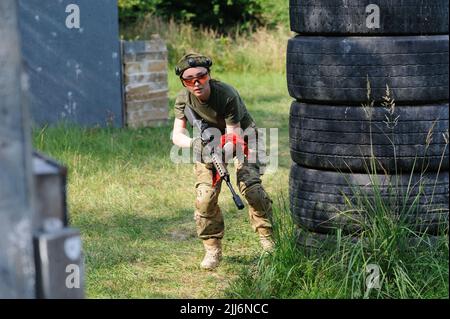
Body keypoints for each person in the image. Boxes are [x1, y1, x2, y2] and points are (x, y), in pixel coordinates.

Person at [171, 53, 274, 270]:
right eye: (190, 80)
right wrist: (194, 144)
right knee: (205, 198)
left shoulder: (226, 94)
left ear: (209, 75)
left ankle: (268, 240)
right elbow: (176, 136)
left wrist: (218, 157)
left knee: (252, 189)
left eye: (201, 76)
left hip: (243, 139)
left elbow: (234, 137)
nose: (196, 83)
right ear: (183, 82)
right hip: (207, 144)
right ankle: (212, 248)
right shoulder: (183, 99)